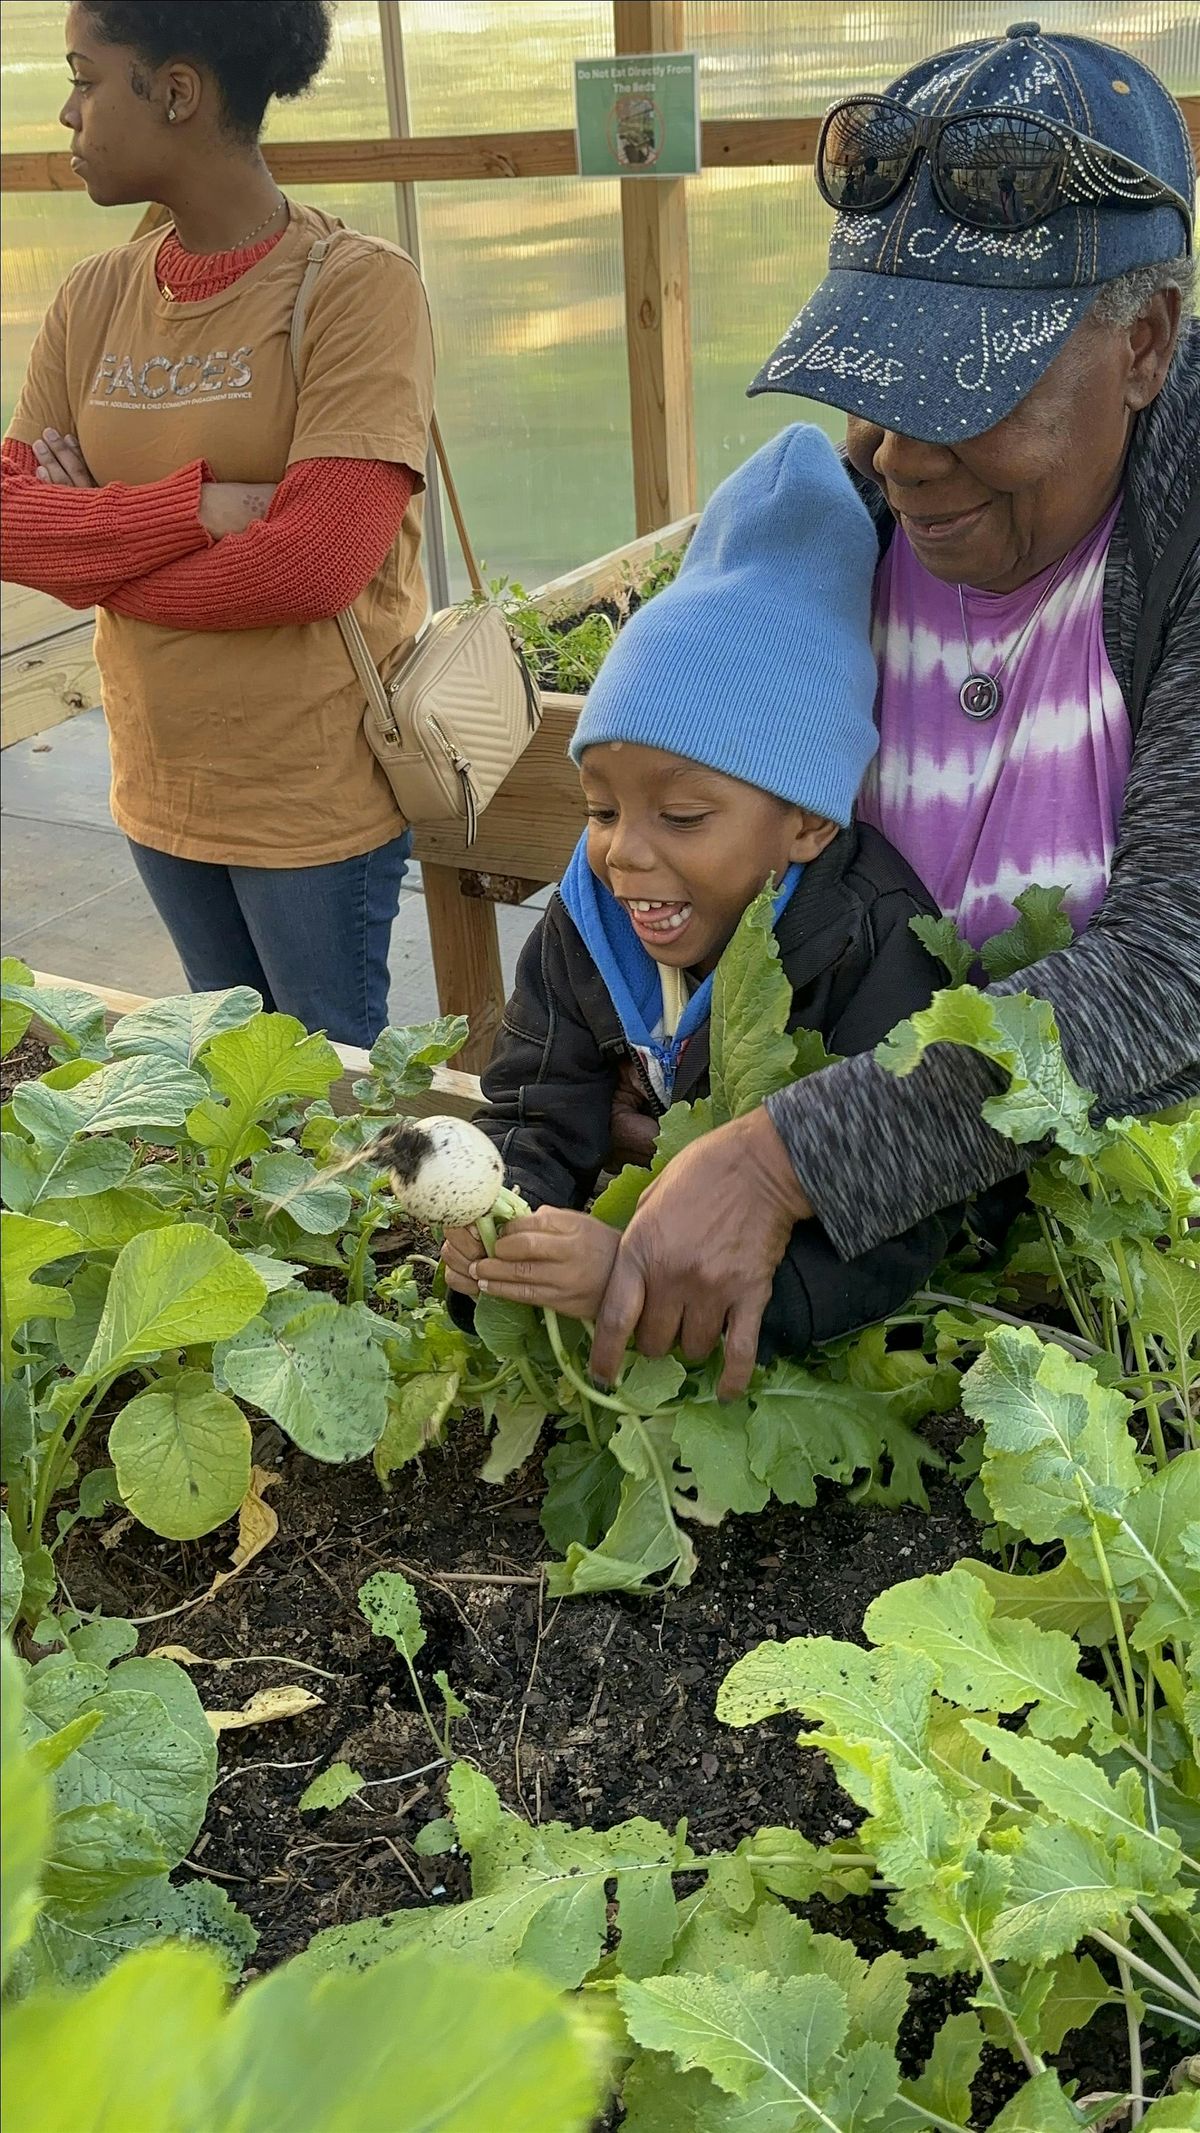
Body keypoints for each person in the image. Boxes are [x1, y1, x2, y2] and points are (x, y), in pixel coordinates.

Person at [472, 20, 1200, 1396]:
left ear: (1147, 343)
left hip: (1118, 1319)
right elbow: (674, 852)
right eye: (871, 383)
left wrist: (787, 1150)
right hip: (848, 1314)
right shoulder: (826, 540)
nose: (898, 450)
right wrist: (678, 1063)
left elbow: (1175, 975)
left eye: (966, 393)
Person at [442, 425, 962, 1360]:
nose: (624, 856)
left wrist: (628, 1281)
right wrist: (501, 1223)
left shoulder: (881, 939)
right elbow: (535, 1102)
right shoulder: (587, 920)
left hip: (796, 1343)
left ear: (809, 820)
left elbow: (897, 1228)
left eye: (682, 816)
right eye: (601, 808)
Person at [1, 2, 434, 1047]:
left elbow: (310, 569)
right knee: (228, 1088)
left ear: (178, 90)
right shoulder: (96, 296)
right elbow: (11, 520)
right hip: (159, 781)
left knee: (331, 1102)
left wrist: (95, 538)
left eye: (87, 77)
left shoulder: (359, 291)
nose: (67, 111)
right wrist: (194, 509)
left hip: (310, 801)